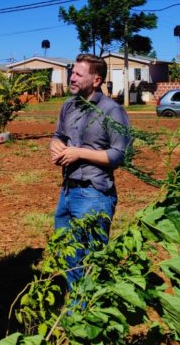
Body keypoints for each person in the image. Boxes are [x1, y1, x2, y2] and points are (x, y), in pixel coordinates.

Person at [50, 53, 132, 288]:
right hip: (67, 192)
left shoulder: (112, 111)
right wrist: (55, 146)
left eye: (78, 74)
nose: (72, 78)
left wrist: (79, 153)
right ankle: (77, 311)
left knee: (91, 260)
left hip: (94, 195)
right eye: (71, 73)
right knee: (67, 254)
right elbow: (58, 136)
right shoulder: (69, 105)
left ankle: (89, 314)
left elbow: (120, 154)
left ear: (96, 80)